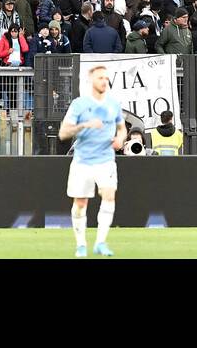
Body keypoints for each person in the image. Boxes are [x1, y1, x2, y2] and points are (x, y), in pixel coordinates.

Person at [58, 63, 126, 258]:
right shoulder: (79, 104)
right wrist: (84, 125)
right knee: (80, 203)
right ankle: (81, 244)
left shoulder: (113, 104)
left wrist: (120, 139)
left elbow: (121, 128)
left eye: (106, 78)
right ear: (91, 81)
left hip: (106, 159)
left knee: (109, 195)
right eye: (100, 78)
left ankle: (101, 242)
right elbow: (63, 133)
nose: (104, 81)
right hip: (83, 160)